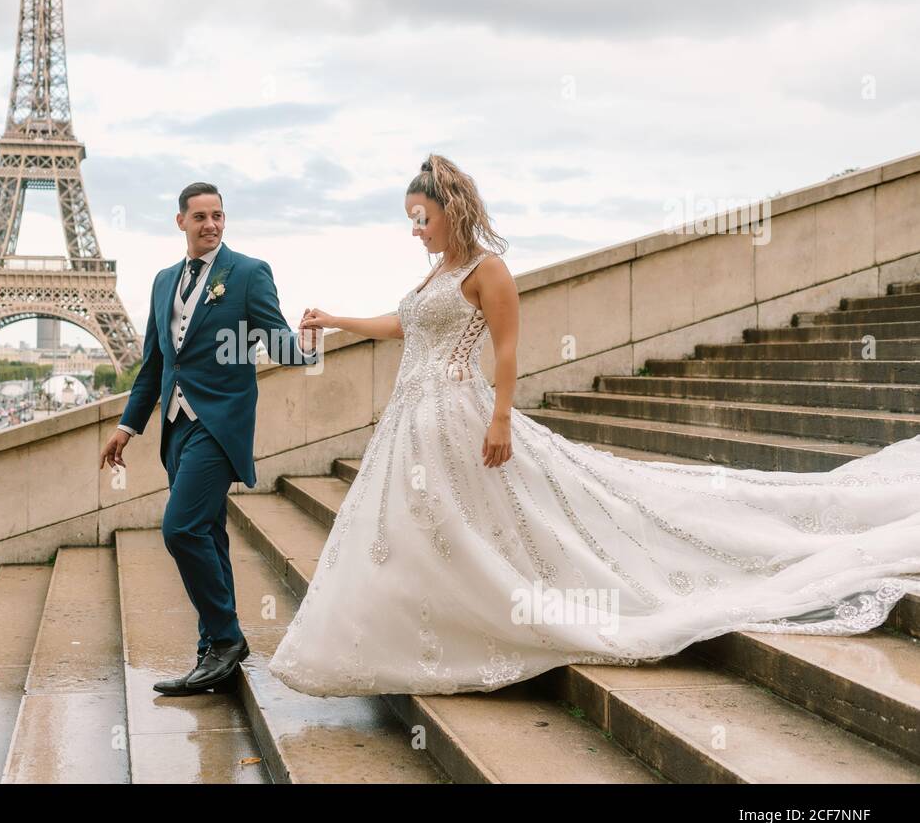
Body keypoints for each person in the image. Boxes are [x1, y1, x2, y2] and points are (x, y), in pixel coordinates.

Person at [267, 154, 920, 698]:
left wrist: (500, 421)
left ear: (451, 208)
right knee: (419, 532)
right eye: (412, 220)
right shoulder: (435, 272)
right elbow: (401, 324)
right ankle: (416, 636)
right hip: (410, 424)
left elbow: (507, 352)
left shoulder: (486, 269)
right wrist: (336, 319)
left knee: (482, 529)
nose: (416, 230)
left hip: (461, 416)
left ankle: (479, 629)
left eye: (422, 217)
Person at [99, 181, 320, 695]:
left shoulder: (247, 273)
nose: (211, 224)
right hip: (177, 427)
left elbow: (276, 338)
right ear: (181, 222)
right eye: (200, 216)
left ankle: (225, 638)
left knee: (179, 529)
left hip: (220, 426)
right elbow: (154, 365)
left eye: (218, 215)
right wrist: (126, 427)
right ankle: (211, 649)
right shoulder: (161, 282)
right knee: (209, 532)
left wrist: (309, 346)